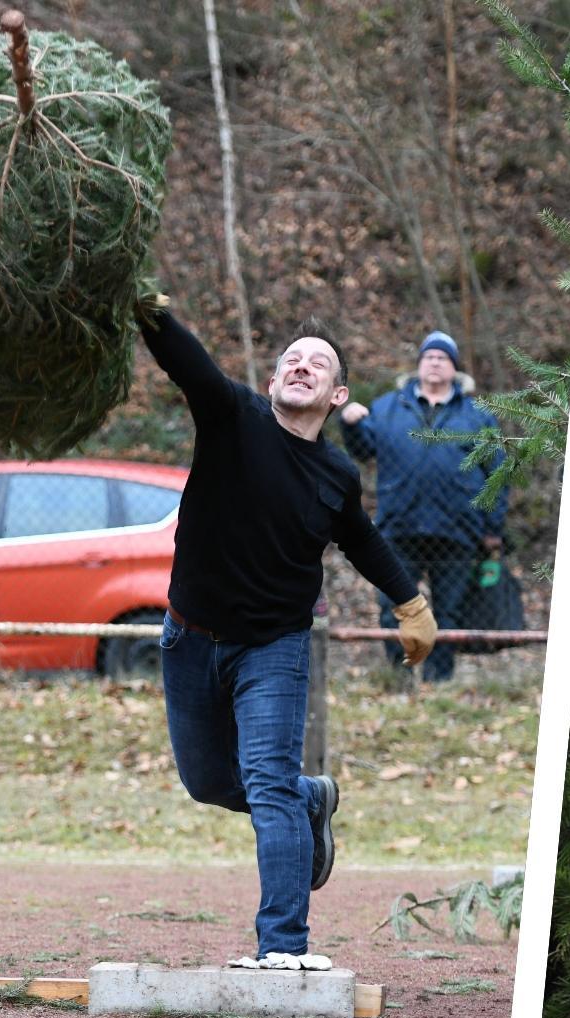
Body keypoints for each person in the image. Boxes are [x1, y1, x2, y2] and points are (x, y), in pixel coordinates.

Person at [136, 298, 436, 971]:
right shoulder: (232, 417)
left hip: (273, 647)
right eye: (291, 360)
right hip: (190, 637)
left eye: (317, 364)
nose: (302, 366)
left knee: (267, 781)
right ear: (272, 382)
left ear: (338, 396)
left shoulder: (337, 476)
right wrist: (151, 315)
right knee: (208, 782)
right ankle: (311, 800)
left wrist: (410, 602)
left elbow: (362, 540)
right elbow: (191, 368)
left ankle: (283, 946)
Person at [338, 330, 505, 681]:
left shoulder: (477, 415)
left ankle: (438, 682)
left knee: (449, 612)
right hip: (400, 527)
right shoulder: (387, 407)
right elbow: (364, 450)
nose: (434, 362)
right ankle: (398, 679)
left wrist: (493, 528)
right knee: (392, 607)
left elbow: (498, 474)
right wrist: (350, 424)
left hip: (458, 530)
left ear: (455, 368)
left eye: (442, 357)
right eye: (429, 356)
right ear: (418, 365)